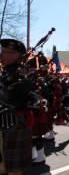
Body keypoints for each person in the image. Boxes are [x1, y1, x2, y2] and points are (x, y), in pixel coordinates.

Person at [0, 39, 38, 175]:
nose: (2, 54)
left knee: (14, 169)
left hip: (14, 125)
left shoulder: (22, 73)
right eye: (3, 51)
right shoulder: (5, 72)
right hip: (4, 125)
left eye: (6, 52)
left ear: (18, 55)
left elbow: (25, 97)